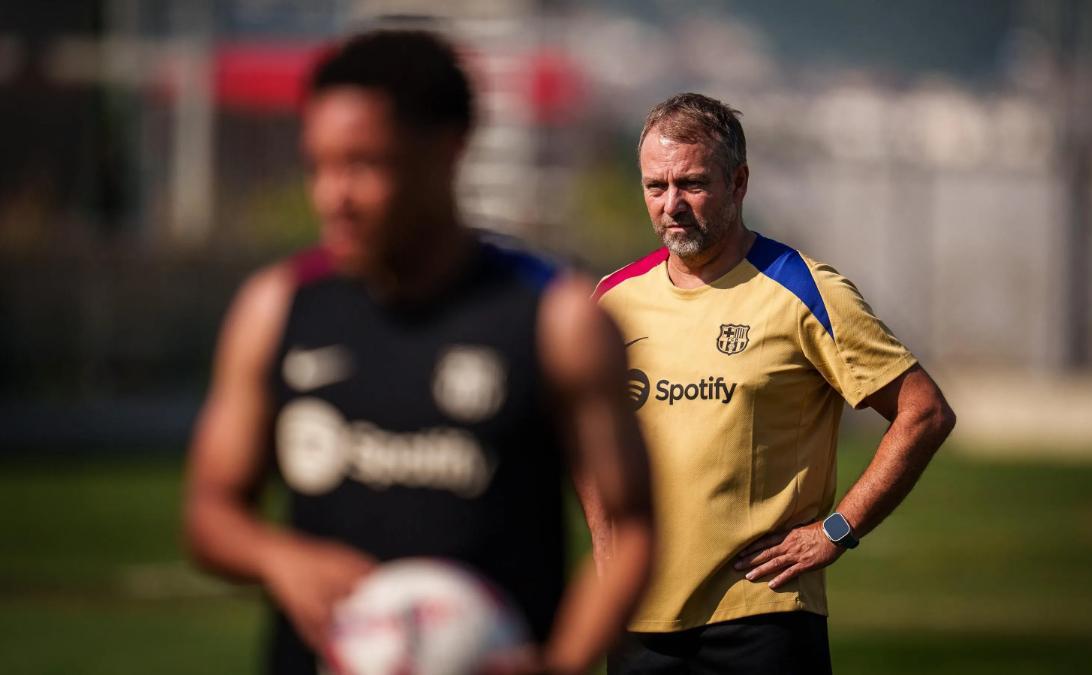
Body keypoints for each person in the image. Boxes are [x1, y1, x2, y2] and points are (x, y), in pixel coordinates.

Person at [182, 30, 654, 675]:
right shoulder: (276, 309)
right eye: (318, 166)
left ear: (447, 148)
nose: (332, 197)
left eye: (363, 165)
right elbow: (211, 511)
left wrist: (564, 663)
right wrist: (279, 557)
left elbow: (631, 529)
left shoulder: (555, 319)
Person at [586, 93, 956, 673]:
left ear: (739, 182)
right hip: (639, 620)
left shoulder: (805, 289)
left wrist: (837, 530)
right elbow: (590, 432)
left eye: (692, 184)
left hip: (761, 615)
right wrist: (607, 548)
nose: (672, 205)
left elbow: (924, 412)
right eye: (656, 187)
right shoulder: (612, 299)